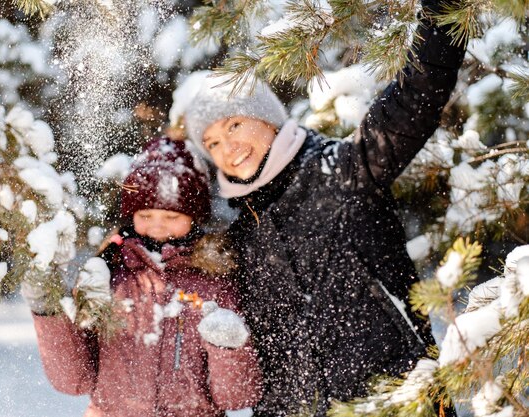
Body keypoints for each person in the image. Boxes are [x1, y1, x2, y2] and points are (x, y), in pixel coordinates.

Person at [178, 2, 467, 416]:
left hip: (396, 401)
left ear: (268, 119)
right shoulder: (241, 235)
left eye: (234, 125)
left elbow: (414, 99)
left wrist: (444, 16)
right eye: (214, 143)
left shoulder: (345, 170)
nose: (229, 149)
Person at [23, 137, 262, 417]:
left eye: (172, 216)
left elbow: (238, 397)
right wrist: (48, 313)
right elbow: (74, 380)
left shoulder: (215, 285)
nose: (158, 225)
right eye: (145, 214)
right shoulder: (107, 274)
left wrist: (228, 347)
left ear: (195, 216)